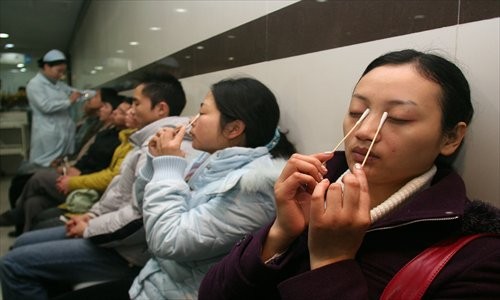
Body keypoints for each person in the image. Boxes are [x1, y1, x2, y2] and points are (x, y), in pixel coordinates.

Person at [198, 50, 500, 299]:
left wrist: (332, 262)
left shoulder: (476, 257)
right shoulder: (315, 189)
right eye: (357, 112)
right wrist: (279, 233)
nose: (365, 132)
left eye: (397, 118)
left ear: (451, 138)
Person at [0, 70, 198, 300]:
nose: (130, 110)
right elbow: (118, 194)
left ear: (161, 109)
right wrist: (91, 216)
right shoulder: (147, 142)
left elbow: (138, 217)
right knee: (24, 242)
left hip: (125, 254)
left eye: (135, 103)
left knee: (13, 264)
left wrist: (90, 228)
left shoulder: (162, 149)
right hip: (113, 237)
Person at [128, 77, 296, 299]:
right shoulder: (211, 161)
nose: (192, 121)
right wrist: (155, 161)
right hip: (153, 282)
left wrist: (168, 166)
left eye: (203, 112)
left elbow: (167, 239)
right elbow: (145, 209)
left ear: (233, 128)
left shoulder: (256, 188)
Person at [0, 91, 130, 233]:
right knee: (33, 202)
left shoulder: (125, 140)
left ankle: (17, 214)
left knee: (38, 178)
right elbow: (87, 156)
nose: (112, 112)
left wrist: (74, 178)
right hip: (78, 173)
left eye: (121, 111)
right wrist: (74, 168)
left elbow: (107, 174)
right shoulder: (106, 133)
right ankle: (23, 241)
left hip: (87, 185)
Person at [26, 49, 82, 168]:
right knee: (44, 168)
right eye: (59, 71)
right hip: (48, 133)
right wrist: (69, 101)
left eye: (63, 72)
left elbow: (75, 93)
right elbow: (45, 106)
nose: (61, 75)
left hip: (62, 132)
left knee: (59, 168)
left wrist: (92, 94)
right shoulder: (35, 85)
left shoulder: (58, 84)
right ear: (46, 66)